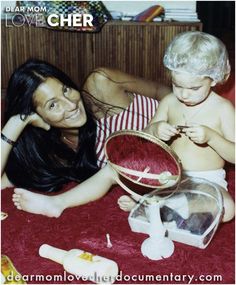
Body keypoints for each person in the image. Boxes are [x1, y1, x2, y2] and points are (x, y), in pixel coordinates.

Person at [1, 59, 171, 217]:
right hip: (166, 175)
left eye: (65, 90)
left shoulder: (101, 84)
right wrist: (16, 123)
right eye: (53, 105)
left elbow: (161, 92)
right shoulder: (54, 154)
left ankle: (56, 204)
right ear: (35, 115)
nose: (71, 104)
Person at [118, 31, 235, 223]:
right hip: (168, 176)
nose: (184, 95)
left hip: (207, 180)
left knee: (228, 209)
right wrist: (156, 130)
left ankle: (158, 207)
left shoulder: (223, 109)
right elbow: (144, 140)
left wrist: (213, 138)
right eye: (176, 85)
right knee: (144, 183)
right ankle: (162, 205)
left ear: (214, 79)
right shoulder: (169, 102)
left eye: (194, 88)